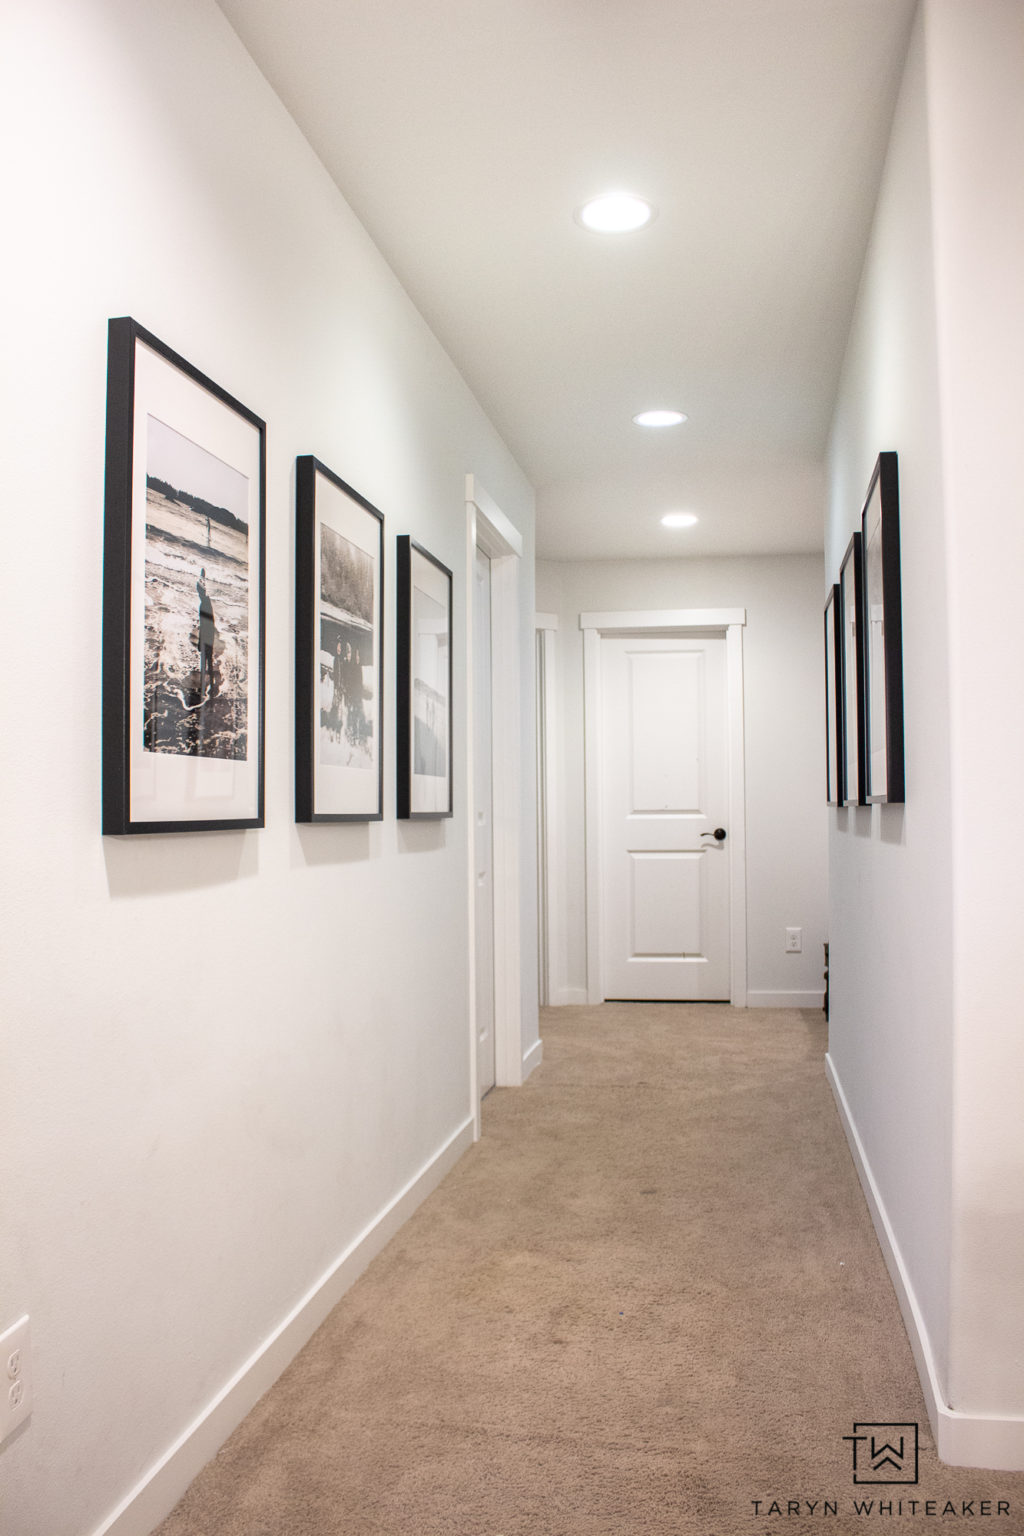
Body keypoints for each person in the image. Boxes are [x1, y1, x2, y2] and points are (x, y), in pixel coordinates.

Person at [196, 568, 216, 699]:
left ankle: (205, 688)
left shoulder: (204, 606)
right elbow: (207, 627)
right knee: (208, 664)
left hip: (206, 641)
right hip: (209, 640)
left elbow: (204, 628)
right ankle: (210, 686)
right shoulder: (206, 606)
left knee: (206, 664)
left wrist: (199, 642)